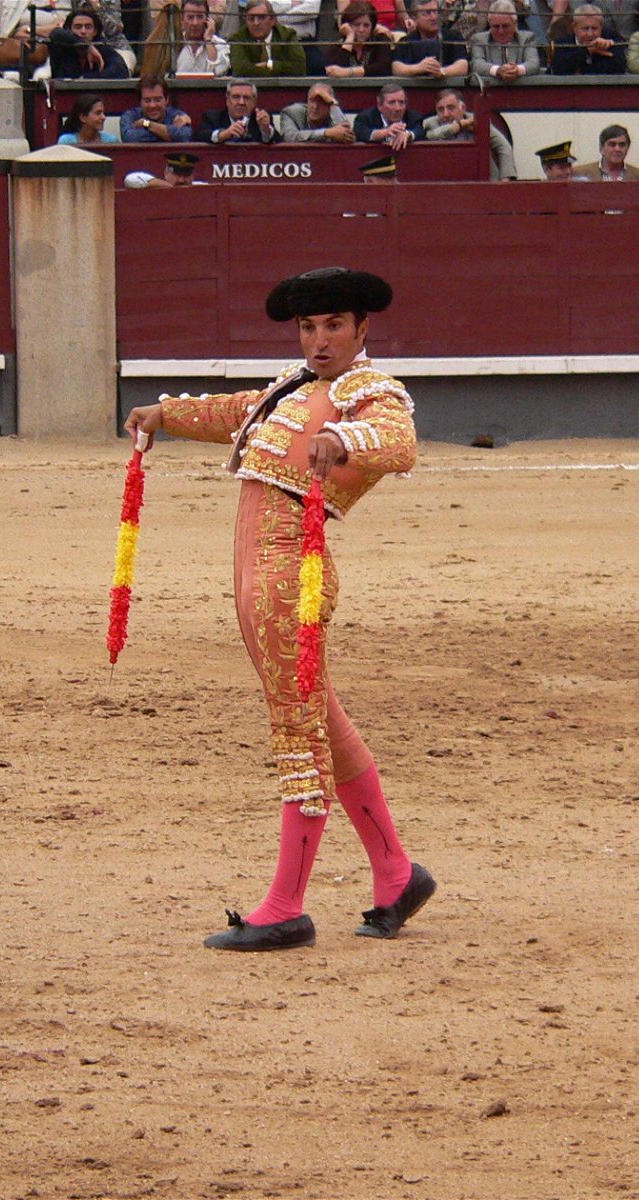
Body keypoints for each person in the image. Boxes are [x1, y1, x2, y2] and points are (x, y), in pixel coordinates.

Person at [123, 266, 435, 953]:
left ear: (362, 330)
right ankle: (395, 873)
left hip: (292, 571)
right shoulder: (295, 387)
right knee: (318, 714)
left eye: (332, 326)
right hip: (256, 570)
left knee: (298, 729)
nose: (319, 340)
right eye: (308, 327)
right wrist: (166, 414)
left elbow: (400, 439)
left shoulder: (366, 391)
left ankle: (286, 905)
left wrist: (347, 442)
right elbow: (236, 411)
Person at [392, 0, 473, 76]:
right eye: (427, 13)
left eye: (436, 11)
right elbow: (396, 68)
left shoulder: (454, 36)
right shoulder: (406, 41)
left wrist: (441, 71)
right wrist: (419, 68)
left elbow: (463, 66)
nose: (434, 17)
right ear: (414, 19)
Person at [49, 7, 134, 78]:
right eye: (78, 27)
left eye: (88, 27)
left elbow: (121, 69)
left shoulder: (100, 43)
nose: (83, 31)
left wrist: (85, 79)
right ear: (69, 30)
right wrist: (87, 46)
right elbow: (55, 34)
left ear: (95, 31)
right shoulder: (61, 43)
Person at [229, 0, 309, 75]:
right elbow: (239, 70)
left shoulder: (287, 35)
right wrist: (278, 69)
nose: (256, 23)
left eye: (261, 17)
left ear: (272, 20)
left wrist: (269, 64)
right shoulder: (238, 38)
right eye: (251, 18)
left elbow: (299, 68)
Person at [470, 0, 543, 77]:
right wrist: (498, 70)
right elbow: (477, 65)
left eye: (505, 26)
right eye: (496, 26)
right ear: (489, 24)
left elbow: (534, 64)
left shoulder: (527, 38)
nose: (501, 31)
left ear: (515, 24)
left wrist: (517, 70)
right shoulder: (479, 39)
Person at [550, 4, 629, 70]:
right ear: (574, 27)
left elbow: (619, 67)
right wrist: (588, 50)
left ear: (601, 27)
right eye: (585, 29)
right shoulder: (562, 42)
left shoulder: (612, 37)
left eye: (594, 28)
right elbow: (558, 68)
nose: (590, 34)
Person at [201, 78, 284, 142]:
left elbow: (278, 142)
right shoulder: (212, 117)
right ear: (227, 100)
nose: (241, 102)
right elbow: (201, 136)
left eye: (246, 98)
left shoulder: (261, 119)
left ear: (254, 102)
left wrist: (266, 130)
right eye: (236, 97)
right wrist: (224, 134)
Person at [327, 0, 397, 75]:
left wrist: (348, 72)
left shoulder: (380, 40)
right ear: (347, 25)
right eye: (356, 25)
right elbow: (334, 70)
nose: (361, 30)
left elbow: (383, 68)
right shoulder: (339, 46)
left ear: (372, 26)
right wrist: (350, 37)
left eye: (366, 25)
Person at [353, 81, 426, 149]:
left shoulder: (413, 117)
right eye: (391, 103)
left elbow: (419, 131)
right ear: (379, 105)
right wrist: (385, 132)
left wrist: (407, 134)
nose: (398, 108)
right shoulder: (365, 118)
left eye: (401, 102)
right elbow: (362, 133)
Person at [276, 82, 357, 141]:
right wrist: (326, 133)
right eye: (311, 101)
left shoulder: (333, 114)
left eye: (321, 102)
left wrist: (333, 103)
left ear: (329, 106)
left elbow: (347, 136)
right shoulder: (291, 113)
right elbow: (290, 137)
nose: (315, 106)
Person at [121, 79, 194, 140]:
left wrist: (146, 124)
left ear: (166, 100)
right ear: (140, 102)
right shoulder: (130, 116)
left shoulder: (178, 116)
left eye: (157, 100)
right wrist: (167, 133)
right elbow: (129, 138)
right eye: (147, 100)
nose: (152, 105)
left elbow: (184, 136)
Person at [575, 123, 639, 178]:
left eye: (622, 145)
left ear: (628, 148)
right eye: (612, 144)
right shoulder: (580, 174)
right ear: (601, 148)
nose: (617, 149)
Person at [174, 0, 231, 74]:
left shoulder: (220, 44)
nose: (195, 23)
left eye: (200, 17)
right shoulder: (173, 44)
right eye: (190, 17)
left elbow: (219, 72)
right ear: (182, 19)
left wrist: (208, 40)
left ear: (208, 19)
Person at [124, 149, 202, 186]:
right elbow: (130, 180)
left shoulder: (199, 188)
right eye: (177, 174)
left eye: (187, 175)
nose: (181, 180)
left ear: (193, 175)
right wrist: (162, 184)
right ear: (166, 173)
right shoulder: (156, 187)